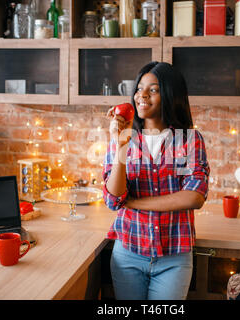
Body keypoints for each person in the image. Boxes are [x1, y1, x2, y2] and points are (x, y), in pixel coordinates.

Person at [102, 61, 210, 300]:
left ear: (171, 95)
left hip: (174, 258)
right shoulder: (124, 137)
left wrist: (135, 203)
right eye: (140, 88)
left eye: (153, 89)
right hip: (128, 253)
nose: (142, 95)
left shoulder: (188, 140)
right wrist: (120, 145)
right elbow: (113, 199)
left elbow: (194, 196)